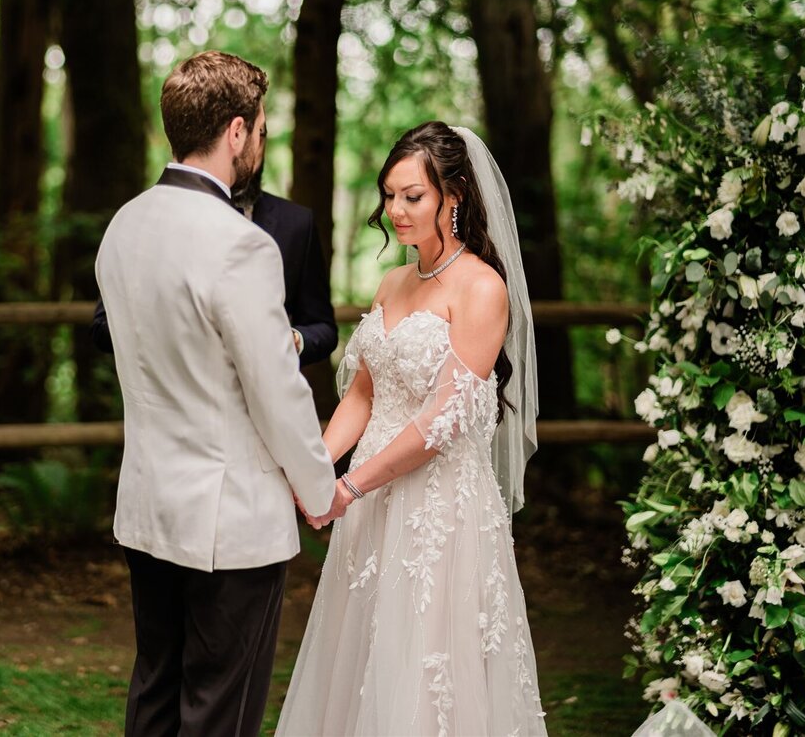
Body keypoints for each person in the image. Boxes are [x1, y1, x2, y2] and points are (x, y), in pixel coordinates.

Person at [276, 121, 548, 736]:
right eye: (389, 195)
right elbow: (365, 395)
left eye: (412, 196)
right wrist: (314, 468)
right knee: (363, 662)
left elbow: (438, 424)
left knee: (427, 673)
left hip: (439, 514)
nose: (395, 211)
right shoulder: (393, 282)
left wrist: (349, 488)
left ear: (453, 197)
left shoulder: (482, 288)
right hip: (372, 508)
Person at [95, 51, 337, 737]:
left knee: (156, 695)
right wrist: (320, 491)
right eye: (260, 128)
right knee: (217, 715)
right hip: (230, 524)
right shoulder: (242, 244)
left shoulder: (123, 227)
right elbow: (278, 393)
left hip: (147, 507)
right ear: (236, 131)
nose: (261, 141)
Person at [90, 133, 338, 366]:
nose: (252, 148)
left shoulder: (296, 222)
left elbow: (323, 326)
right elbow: (103, 327)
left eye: (261, 135)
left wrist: (293, 340)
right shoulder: (149, 220)